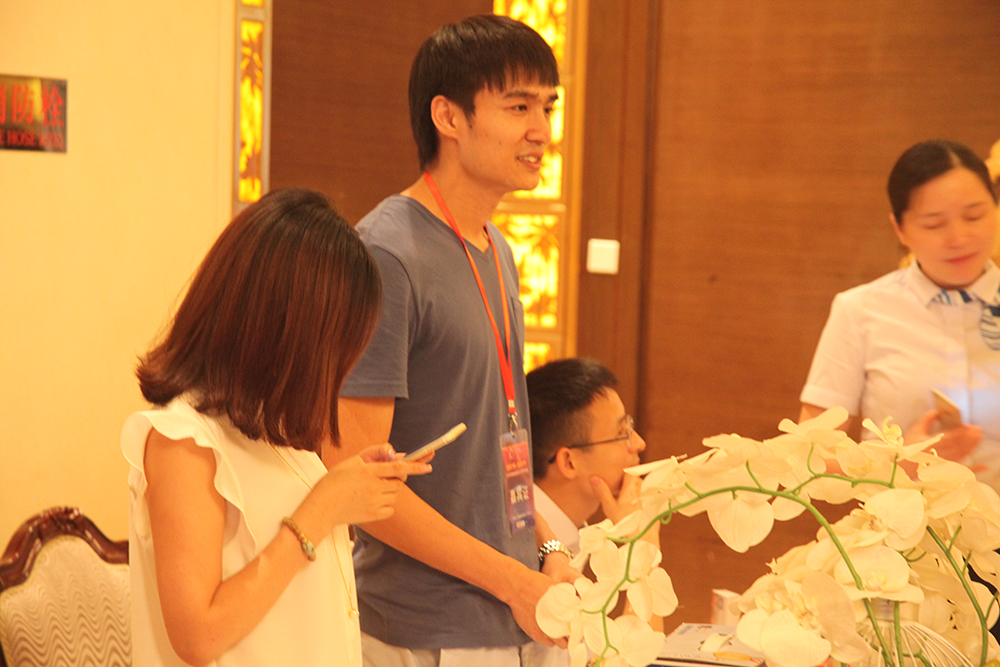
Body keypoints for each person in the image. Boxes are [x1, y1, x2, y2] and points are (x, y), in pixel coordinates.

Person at [333, 14, 578, 666]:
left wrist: (548, 551)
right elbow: (358, 479)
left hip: (511, 613)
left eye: (548, 107)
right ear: (448, 116)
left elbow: (497, 451)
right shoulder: (386, 254)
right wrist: (513, 581)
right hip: (422, 630)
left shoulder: (499, 249)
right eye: (519, 106)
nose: (542, 130)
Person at [122, 188, 430, 667]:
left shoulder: (278, 435)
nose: (343, 367)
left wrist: (344, 489)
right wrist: (321, 509)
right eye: (337, 344)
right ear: (285, 332)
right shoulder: (185, 441)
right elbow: (198, 635)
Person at [800, 140, 1000, 489]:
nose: (959, 237)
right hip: (900, 521)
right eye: (934, 224)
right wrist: (897, 463)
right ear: (900, 230)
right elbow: (808, 457)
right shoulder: (860, 310)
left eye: (974, 216)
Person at [522, 358, 659, 667]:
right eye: (623, 433)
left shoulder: (575, 538)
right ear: (569, 462)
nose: (638, 443)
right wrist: (645, 540)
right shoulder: (529, 551)